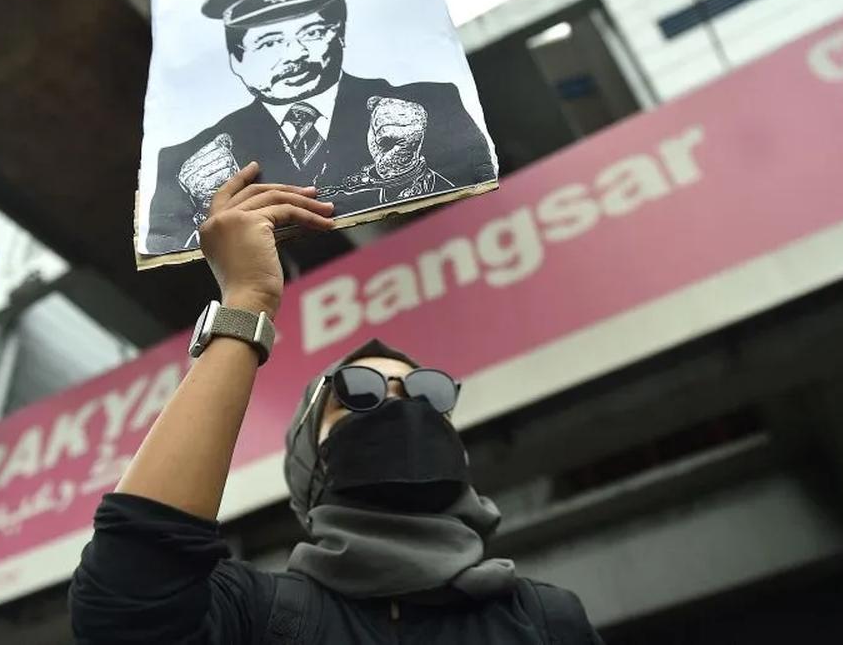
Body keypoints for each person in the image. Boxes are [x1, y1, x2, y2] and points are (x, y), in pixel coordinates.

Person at [71, 163, 603, 643]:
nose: (401, 408)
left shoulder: (546, 622)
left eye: (427, 395)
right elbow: (126, 594)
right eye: (359, 395)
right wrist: (248, 299)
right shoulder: (255, 617)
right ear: (310, 461)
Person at [145, 0, 495, 252]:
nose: (295, 55)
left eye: (313, 34)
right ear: (237, 59)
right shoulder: (187, 165)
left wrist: (410, 171)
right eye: (269, 42)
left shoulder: (427, 107)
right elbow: (172, 273)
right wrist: (212, 217)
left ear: (341, 33)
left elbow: (483, 211)